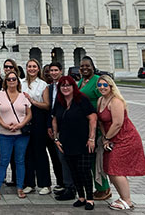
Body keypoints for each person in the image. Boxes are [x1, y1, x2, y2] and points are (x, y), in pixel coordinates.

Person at [96, 75, 145, 210]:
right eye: (100, 85)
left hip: (125, 137)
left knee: (116, 169)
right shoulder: (100, 100)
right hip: (111, 138)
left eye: (105, 85)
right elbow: (101, 121)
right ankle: (122, 197)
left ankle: (127, 200)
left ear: (111, 86)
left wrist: (106, 138)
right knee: (110, 168)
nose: (102, 87)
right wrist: (105, 137)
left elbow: (118, 123)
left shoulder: (116, 101)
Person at [51, 75, 97, 210]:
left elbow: (93, 118)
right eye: (62, 86)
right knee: (74, 171)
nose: (65, 88)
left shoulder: (81, 99)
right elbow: (54, 118)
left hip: (83, 142)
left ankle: (90, 199)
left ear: (73, 87)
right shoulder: (59, 101)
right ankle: (81, 197)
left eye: (68, 85)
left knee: (84, 171)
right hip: (67, 142)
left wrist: (91, 138)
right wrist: (56, 138)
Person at [0, 70, 31, 201]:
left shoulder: (23, 96)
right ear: (5, 82)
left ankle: (20, 187)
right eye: (9, 79)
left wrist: (20, 125)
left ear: (18, 81)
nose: (12, 81)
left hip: (21, 134)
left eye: (14, 79)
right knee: (3, 161)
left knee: (20, 161)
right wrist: (3, 124)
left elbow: (29, 114)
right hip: (4, 133)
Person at [76, 56, 111, 201]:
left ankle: (104, 188)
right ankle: (98, 187)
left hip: (95, 125)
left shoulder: (97, 81)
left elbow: (104, 99)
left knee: (97, 159)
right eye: (82, 66)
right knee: (89, 160)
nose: (85, 68)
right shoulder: (81, 81)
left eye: (87, 66)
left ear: (93, 66)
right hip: (84, 125)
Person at [45, 62, 75, 201]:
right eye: (51, 70)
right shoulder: (50, 87)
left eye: (56, 70)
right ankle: (65, 184)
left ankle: (72, 187)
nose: (54, 72)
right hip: (56, 125)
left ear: (61, 71)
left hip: (68, 126)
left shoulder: (67, 85)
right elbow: (51, 110)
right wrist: (50, 126)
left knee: (67, 157)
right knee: (60, 157)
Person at [21, 59, 52, 195]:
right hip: (24, 118)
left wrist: (32, 101)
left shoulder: (43, 84)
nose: (32, 69)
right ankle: (29, 183)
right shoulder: (21, 83)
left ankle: (45, 184)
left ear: (38, 69)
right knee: (27, 152)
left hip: (38, 117)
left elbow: (47, 105)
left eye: (34, 67)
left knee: (40, 152)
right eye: (29, 66)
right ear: (26, 68)